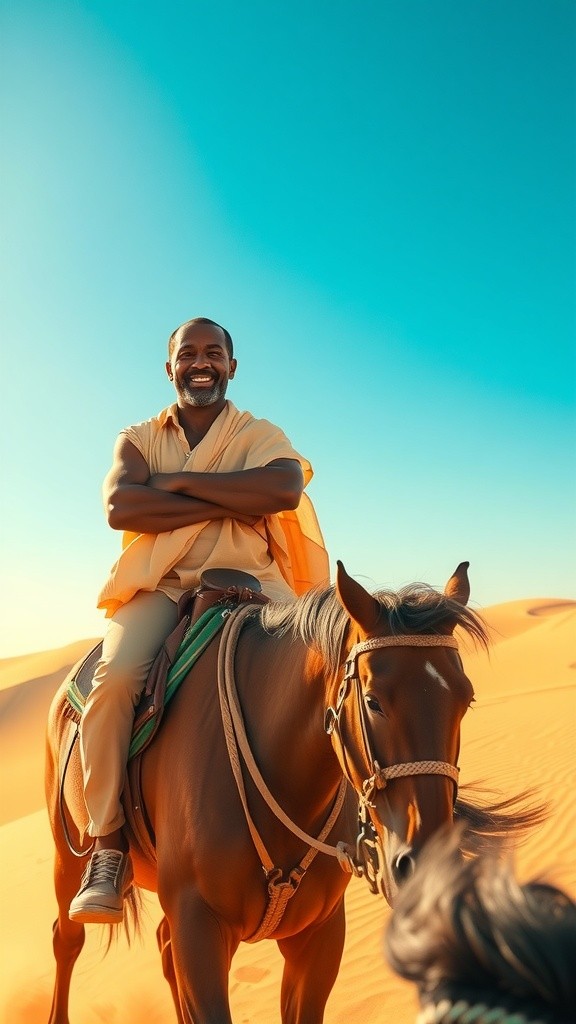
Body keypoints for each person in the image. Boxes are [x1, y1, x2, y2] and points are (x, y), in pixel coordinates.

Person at [69, 316, 329, 924]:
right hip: (162, 588)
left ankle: (351, 831)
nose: (201, 363)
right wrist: (236, 494)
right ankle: (107, 846)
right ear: (170, 367)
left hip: (255, 585)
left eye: (215, 352)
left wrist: (180, 484)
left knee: (320, 675)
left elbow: (284, 490)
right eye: (189, 354)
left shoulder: (259, 432)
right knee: (112, 684)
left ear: (232, 366)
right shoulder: (137, 438)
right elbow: (120, 505)